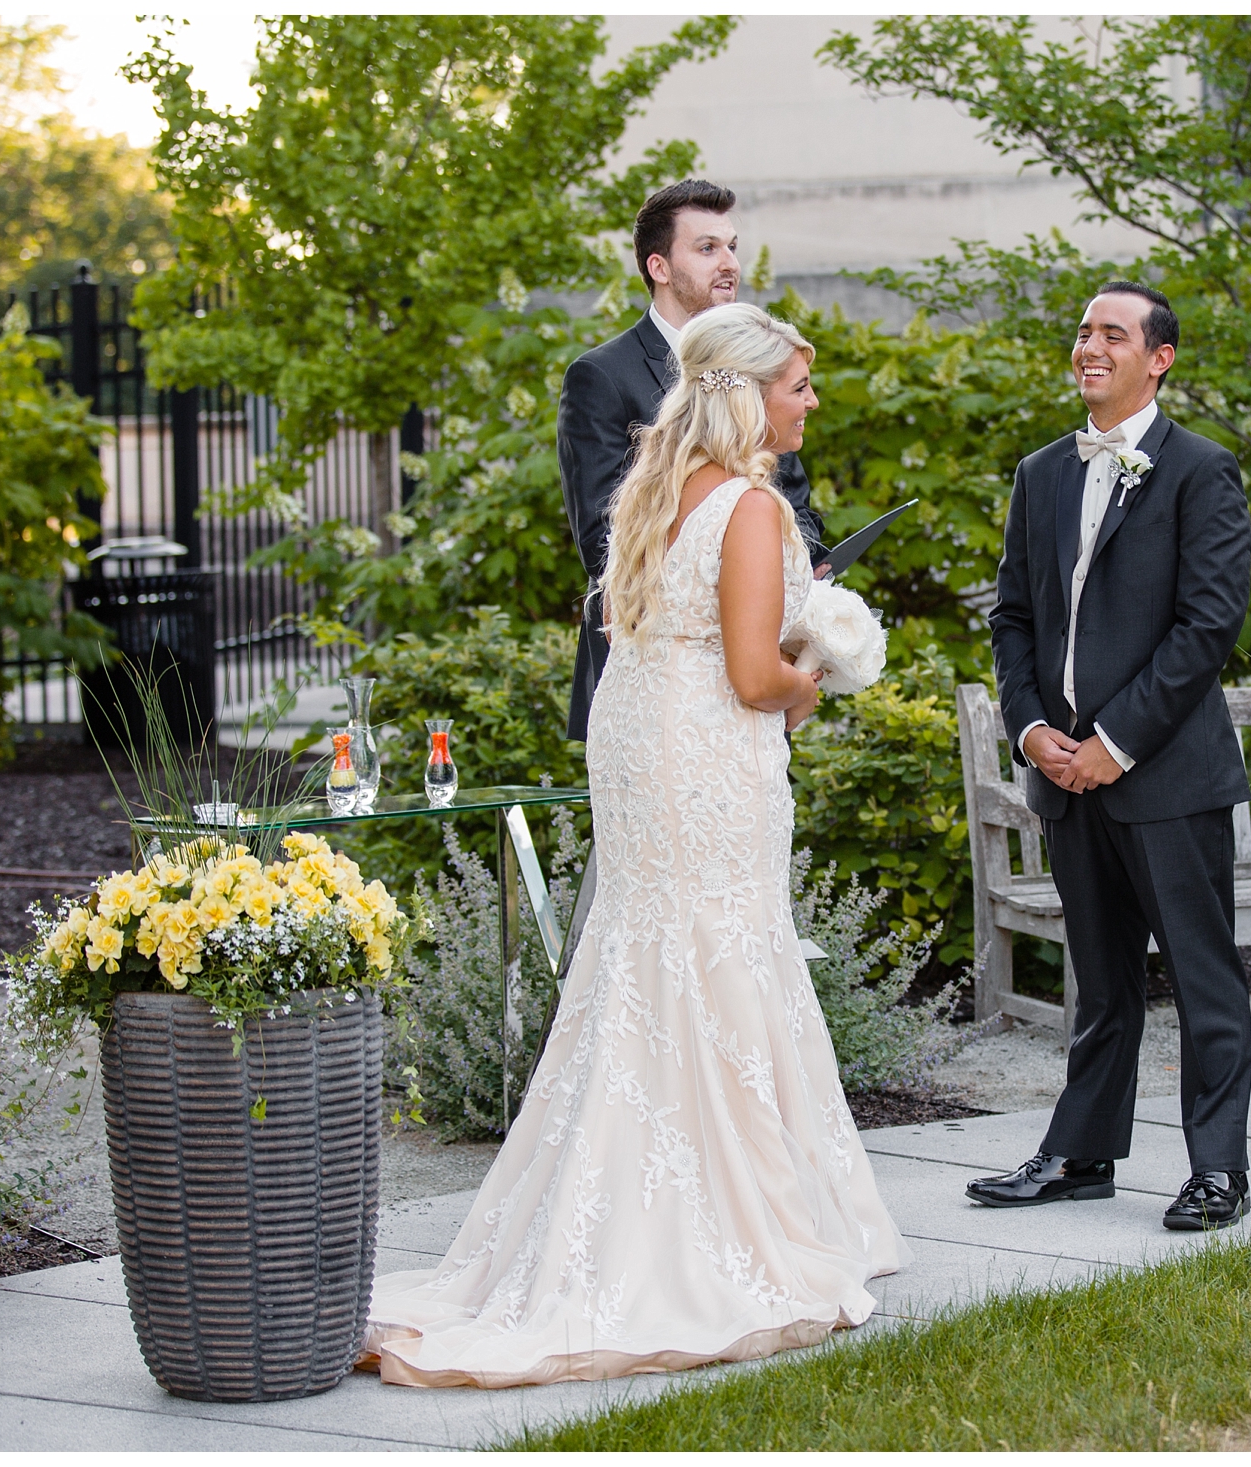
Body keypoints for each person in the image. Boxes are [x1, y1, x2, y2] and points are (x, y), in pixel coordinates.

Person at [365, 303, 904, 1387]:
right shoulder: (751, 505)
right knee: (717, 946)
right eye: (798, 384)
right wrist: (821, 676)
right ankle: (727, 1227)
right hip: (704, 756)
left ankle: (638, 1198)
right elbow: (755, 679)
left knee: (653, 948)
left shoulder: (655, 490)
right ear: (747, 392)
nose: (809, 401)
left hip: (639, 739)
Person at [969, 282, 1251, 1231]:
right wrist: (1033, 731)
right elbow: (1012, 617)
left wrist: (1115, 745)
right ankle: (1081, 1154)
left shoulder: (1201, 472)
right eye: (1084, 331)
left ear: (1158, 358)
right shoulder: (1040, 472)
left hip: (1166, 777)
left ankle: (1218, 1171)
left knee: (1203, 978)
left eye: (1112, 334)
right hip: (1064, 779)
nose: (1089, 346)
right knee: (1099, 980)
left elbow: (1205, 628)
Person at [558, 178, 829, 741]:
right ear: (659, 267)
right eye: (707, 248)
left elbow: (795, 502)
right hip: (651, 673)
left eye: (731, 246)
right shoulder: (602, 377)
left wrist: (802, 563)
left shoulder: (762, 363)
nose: (728, 262)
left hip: (755, 667)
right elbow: (601, 536)